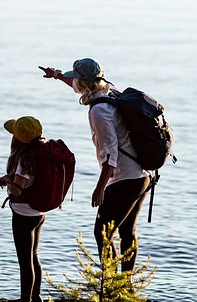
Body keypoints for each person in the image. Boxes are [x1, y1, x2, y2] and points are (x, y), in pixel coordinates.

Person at [39, 59, 150, 273]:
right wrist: (57, 76)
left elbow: (111, 153)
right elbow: (78, 83)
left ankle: (109, 286)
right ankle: (124, 289)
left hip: (124, 178)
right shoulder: (110, 91)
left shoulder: (98, 112)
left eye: (77, 79)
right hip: (142, 173)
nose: (75, 83)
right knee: (127, 231)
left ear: (84, 83)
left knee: (102, 233)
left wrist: (100, 188)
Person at [0, 116, 47, 302]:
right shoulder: (41, 152)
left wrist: (6, 180)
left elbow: (18, 190)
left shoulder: (25, 160)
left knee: (25, 262)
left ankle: (25, 299)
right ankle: (37, 297)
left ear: (18, 139)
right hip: (39, 212)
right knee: (34, 256)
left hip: (23, 214)